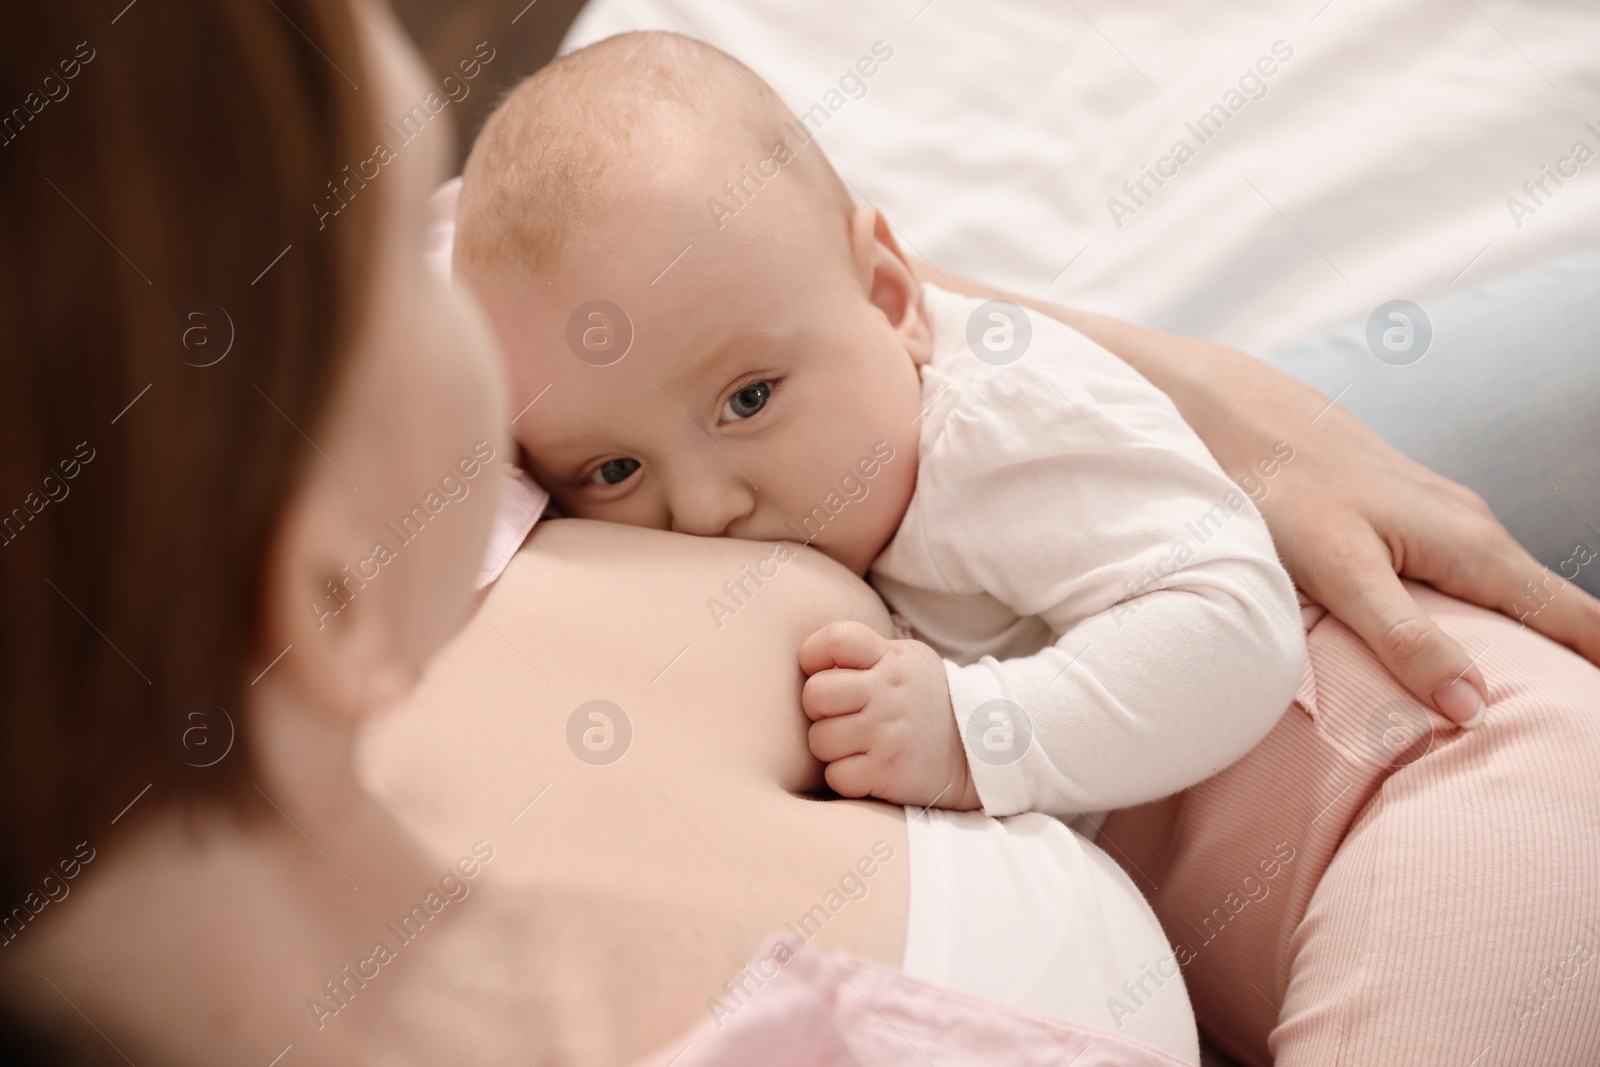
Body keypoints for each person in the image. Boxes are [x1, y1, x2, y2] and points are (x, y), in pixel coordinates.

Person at [2, 3, 1597, 1066]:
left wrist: (1223, 409)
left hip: (1137, 555)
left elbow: (710, 284)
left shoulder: (312, 471)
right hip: (1352, 773)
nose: (441, 244)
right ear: (321, 578)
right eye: (387, 238)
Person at [453, 32, 1312, 834]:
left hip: (1355, 788)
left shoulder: (998, 431)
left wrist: (975, 733)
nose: (704, 508)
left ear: (889, 301)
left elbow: (1237, 620)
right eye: (613, 469)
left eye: (748, 400)